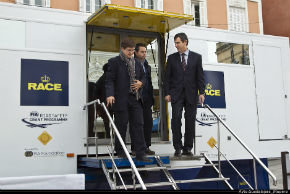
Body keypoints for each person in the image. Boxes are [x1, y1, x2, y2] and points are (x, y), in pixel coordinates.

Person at [105, 38, 152, 162]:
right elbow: (109, 80)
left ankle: (140, 153)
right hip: (121, 99)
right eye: (128, 51)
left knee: (138, 124)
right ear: (122, 49)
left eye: (132, 50)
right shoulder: (114, 62)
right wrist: (110, 94)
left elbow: (144, 77)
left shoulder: (137, 62)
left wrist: (141, 83)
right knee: (121, 125)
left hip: (135, 99)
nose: (131, 53)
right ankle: (120, 151)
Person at [164, 32, 205, 157]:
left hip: (191, 94)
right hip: (176, 95)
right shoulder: (171, 58)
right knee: (176, 119)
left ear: (185, 42)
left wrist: (201, 92)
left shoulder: (197, 57)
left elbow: (200, 77)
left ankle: (188, 148)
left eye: (178, 42)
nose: (176, 45)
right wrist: (167, 93)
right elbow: (167, 78)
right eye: (175, 43)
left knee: (190, 121)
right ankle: (178, 147)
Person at [130, 43, 155, 156]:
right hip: (136, 99)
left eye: (145, 52)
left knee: (148, 123)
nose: (144, 54)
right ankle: (135, 148)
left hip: (147, 99)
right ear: (136, 52)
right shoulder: (131, 63)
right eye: (142, 52)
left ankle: (146, 146)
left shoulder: (147, 66)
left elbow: (148, 83)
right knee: (137, 124)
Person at [95, 63, 112, 138]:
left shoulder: (101, 79)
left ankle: (109, 136)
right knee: (113, 121)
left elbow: (96, 93)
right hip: (109, 104)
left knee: (107, 121)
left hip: (105, 104)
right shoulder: (109, 79)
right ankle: (111, 136)